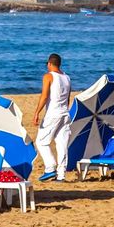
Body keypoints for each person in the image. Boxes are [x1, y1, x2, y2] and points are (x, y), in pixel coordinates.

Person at [33, 52, 72, 181]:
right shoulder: (67, 77)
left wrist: (37, 112)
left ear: (49, 63)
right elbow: (68, 98)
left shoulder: (48, 76)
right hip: (65, 113)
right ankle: (61, 175)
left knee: (41, 142)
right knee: (62, 144)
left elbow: (44, 96)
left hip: (53, 114)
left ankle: (50, 168)